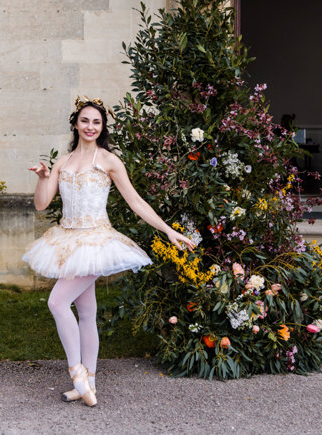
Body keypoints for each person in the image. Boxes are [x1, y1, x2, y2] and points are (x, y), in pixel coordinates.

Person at [23, 97, 195, 407]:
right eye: (85, 120)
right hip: (67, 239)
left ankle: (77, 373)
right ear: (76, 123)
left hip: (96, 242)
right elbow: (40, 204)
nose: (90, 126)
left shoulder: (109, 160)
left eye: (96, 122)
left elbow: (136, 202)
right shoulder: (62, 161)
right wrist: (43, 178)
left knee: (57, 301)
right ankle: (88, 383)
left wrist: (168, 230)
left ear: (102, 128)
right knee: (86, 312)